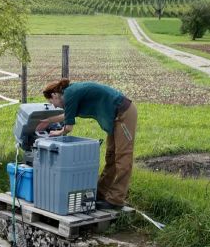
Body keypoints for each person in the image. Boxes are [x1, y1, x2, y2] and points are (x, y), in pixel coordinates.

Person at [35, 79, 137, 209]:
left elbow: (68, 127)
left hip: (123, 113)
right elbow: (68, 114)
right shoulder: (70, 93)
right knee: (111, 156)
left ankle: (116, 200)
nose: (54, 106)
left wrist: (59, 132)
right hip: (114, 117)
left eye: (51, 102)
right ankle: (101, 193)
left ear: (55, 95)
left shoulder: (70, 94)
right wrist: (48, 120)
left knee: (123, 157)